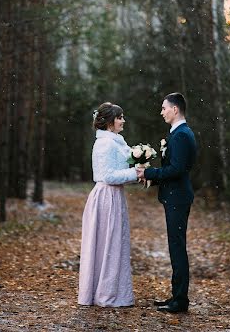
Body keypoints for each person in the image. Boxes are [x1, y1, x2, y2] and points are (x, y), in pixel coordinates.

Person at [137, 92, 197, 313]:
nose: (161, 112)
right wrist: (152, 179)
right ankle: (176, 296)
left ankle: (180, 300)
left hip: (178, 198)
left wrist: (150, 172)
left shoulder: (181, 135)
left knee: (177, 248)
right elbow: (175, 170)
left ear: (175, 109)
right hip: (175, 196)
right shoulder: (179, 133)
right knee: (175, 247)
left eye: (163, 108)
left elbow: (177, 169)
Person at [78, 102, 138, 308]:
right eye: (120, 117)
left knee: (113, 244)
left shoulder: (116, 142)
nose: (123, 121)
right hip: (106, 198)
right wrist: (136, 173)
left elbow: (118, 172)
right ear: (110, 122)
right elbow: (108, 175)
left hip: (115, 196)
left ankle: (110, 290)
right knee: (107, 245)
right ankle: (104, 293)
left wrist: (139, 172)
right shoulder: (105, 144)